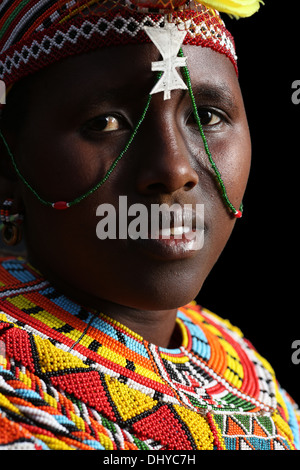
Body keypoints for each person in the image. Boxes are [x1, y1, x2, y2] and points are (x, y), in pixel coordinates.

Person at [0, 0, 299, 451]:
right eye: (105, 123)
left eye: (208, 116)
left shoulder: (238, 361)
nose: (174, 168)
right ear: (7, 164)